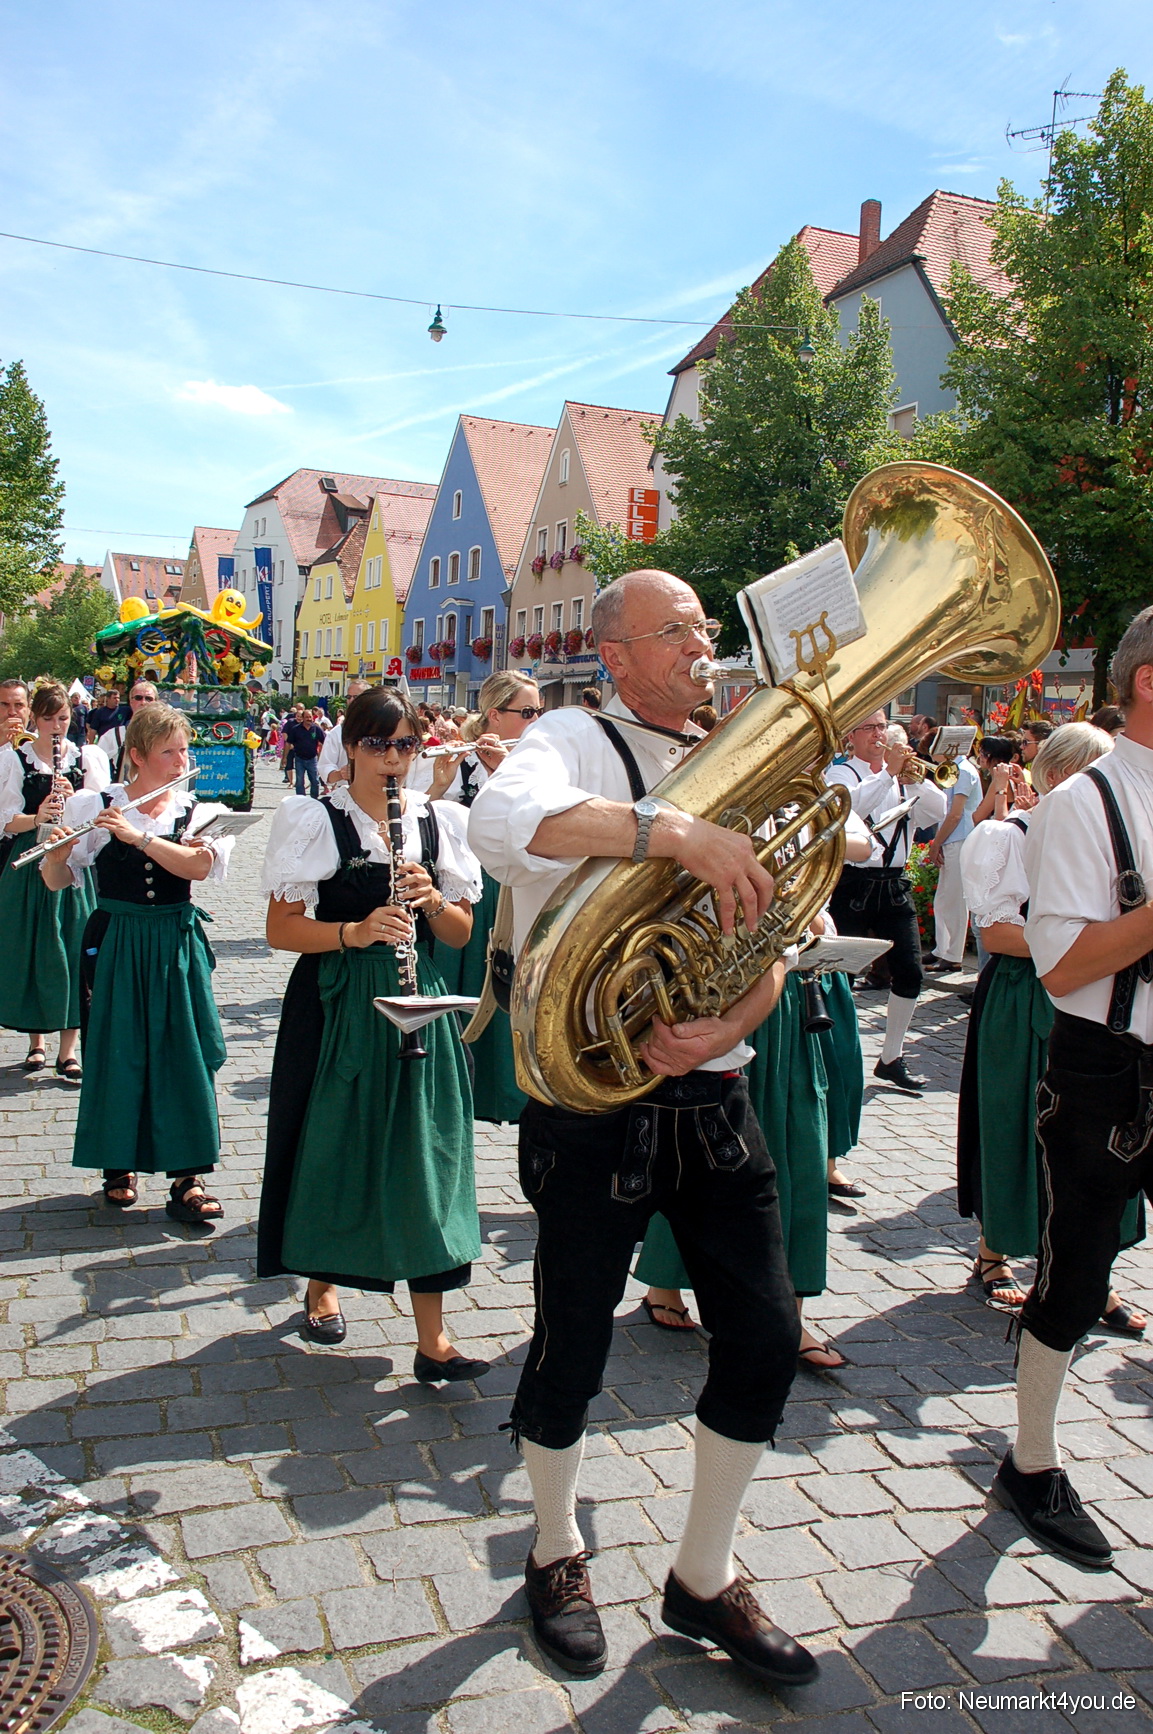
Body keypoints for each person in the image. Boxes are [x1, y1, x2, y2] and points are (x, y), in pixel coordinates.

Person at [468, 570, 817, 1688]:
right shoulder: (569, 732)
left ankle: (703, 1575)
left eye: (705, 628)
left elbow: (780, 942)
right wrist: (675, 834)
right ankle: (555, 1548)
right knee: (573, 1337)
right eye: (674, 631)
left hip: (715, 1097)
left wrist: (725, 1018)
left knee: (764, 1333)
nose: (701, 646)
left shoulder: (744, 750)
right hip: (590, 1102)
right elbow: (501, 824)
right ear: (615, 653)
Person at [258, 687, 489, 1380]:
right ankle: (321, 1285)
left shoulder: (436, 820)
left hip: (415, 1004)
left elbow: (458, 932)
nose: (392, 759)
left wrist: (432, 899)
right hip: (339, 1003)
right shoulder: (313, 819)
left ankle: (432, 1340)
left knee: (426, 1155)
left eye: (405, 746)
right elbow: (279, 930)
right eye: (377, 744)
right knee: (333, 1144)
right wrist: (353, 931)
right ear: (350, 746)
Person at [992, 608, 1153, 1572]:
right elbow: (1060, 966)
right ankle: (1031, 1459)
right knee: (1075, 1276)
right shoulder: (1083, 802)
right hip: (1107, 1068)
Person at [956, 722, 1145, 1322]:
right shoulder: (1003, 836)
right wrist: (1080, 947)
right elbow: (994, 932)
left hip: (1105, 996)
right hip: (1023, 995)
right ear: (1062, 775)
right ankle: (994, 1252)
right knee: (1018, 1125)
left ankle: (1087, 1275)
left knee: (1101, 1147)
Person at [42, 704, 231, 1219]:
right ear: (138, 755)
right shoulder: (94, 805)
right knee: (117, 1048)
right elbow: (58, 883)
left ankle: (188, 1177)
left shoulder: (198, 809)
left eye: (184, 749)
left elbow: (198, 864)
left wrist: (139, 835)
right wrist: (57, 857)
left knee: (182, 1050)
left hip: (174, 939)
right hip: (117, 938)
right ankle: (117, 1164)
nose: (180, 760)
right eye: (169, 751)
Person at [434, 672, 543, 1124]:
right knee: (462, 985)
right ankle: (454, 1082)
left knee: (509, 985)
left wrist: (507, 772)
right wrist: (440, 785)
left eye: (540, 712)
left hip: (512, 887)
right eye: (528, 713)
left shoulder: (535, 763)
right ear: (495, 716)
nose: (536, 722)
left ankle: (505, 1088)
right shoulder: (456, 763)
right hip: (464, 891)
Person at [827, 712, 947, 1092]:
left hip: (894, 884)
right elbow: (850, 809)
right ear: (851, 735)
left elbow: (937, 812)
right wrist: (888, 774)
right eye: (870, 728)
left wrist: (916, 779)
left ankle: (891, 1056)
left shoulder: (900, 777)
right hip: (852, 884)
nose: (878, 735)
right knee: (839, 976)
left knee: (910, 970)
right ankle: (833, 1056)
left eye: (882, 727)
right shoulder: (842, 773)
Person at [0, 680, 110, 1079]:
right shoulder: (15, 760)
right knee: (37, 950)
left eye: (63, 718)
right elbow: (6, 821)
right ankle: (36, 1042)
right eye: (48, 719)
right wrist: (39, 815)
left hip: (73, 864)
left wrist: (77, 797)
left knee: (73, 947)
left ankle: (69, 1049)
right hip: (31, 864)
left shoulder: (86, 758)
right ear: (35, 718)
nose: (56, 727)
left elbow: (100, 821)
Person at [924, 745, 982, 975]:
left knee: (955, 899)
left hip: (960, 838)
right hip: (954, 838)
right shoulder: (955, 768)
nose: (930, 756)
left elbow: (956, 814)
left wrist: (936, 842)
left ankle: (953, 954)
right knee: (944, 897)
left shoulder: (963, 771)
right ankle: (943, 949)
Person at [98, 681, 159, 779]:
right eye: (138, 698)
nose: (143, 702)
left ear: (156, 702)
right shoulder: (113, 735)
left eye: (148, 698)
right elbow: (97, 767)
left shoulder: (164, 735)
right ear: (131, 701)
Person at [318, 680, 369, 787]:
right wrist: (341, 773)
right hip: (347, 792)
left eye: (356, 697)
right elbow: (325, 768)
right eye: (348, 697)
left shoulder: (382, 728)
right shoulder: (337, 733)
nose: (351, 701)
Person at [285, 707, 324, 797]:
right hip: (299, 758)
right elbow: (288, 743)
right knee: (299, 781)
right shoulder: (295, 729)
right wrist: (285, 758)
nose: (309, 719)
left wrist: (323, 756)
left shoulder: (316, 729)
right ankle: (301, 800)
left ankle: (314, 800)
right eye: (306, 717)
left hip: (312, 759)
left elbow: (325, 742)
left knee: (315, 780)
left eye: (310, 717)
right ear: (302, 718)